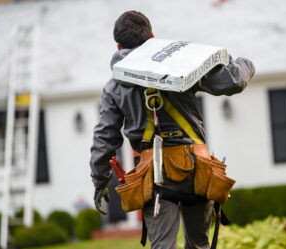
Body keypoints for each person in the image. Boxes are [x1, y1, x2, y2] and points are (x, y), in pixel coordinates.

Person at [90, 11, 255, 249]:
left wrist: (99, 180)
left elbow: (104, 139)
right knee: (199, 245)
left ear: (118, 46)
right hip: (197, 170)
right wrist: (244, 62)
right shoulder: (181, 66)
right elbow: (233, 81)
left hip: (154, 179)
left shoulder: (114, 87)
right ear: (153, 36)